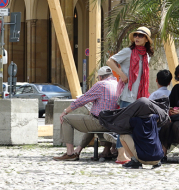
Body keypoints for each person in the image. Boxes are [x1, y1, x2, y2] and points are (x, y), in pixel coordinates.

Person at [107, 26, 154, 162]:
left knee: (134, 127)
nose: (137, 38)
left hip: (140, 97)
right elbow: (110, 61)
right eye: (136, 35)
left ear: (146, 40)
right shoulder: (128, 51)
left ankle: (130, 153)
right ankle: (121, 154)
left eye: (141, 36)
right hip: (127, 95)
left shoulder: (146, 55)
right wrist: (121, 74)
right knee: (124, 126)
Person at [53, 66, 119, 161]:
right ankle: (78, 150)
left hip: (100, 122)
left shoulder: (101, 85)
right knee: (90, 118)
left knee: (66, 119)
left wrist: (65, 111)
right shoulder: (117, 84)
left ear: (100, 77)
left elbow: (82, 100)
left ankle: (70, 153)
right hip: (113, 123)